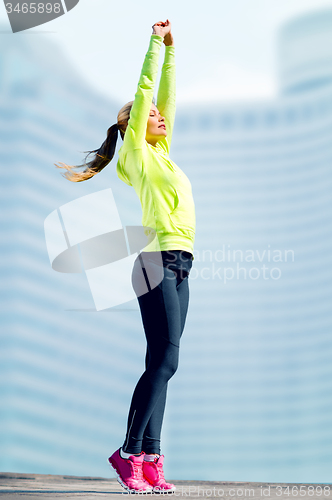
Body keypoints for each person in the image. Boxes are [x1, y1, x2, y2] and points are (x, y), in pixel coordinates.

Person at [55, 19, 196, 494]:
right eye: (147, 113)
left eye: (158, 114)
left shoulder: (165, 152)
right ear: (130, 123)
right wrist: (155, 43)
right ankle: (129, 451)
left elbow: (168, 99)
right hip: (156, 261)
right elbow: (145, 89)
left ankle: (152, 456)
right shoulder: (135, 153)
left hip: (181, 263)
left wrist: (174, 51)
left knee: (165, 360)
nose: (158, 115)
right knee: (165, 360)